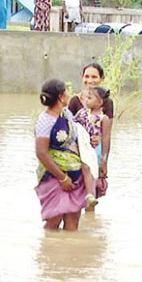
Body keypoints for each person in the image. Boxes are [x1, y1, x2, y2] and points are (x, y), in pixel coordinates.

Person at [34, 79, 97, 230]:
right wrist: (62, 178)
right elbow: (41, 153)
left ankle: (70, 252)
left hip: (75, 178)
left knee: (73, 222)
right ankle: (48, 251)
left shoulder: (67, 115)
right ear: (61, 97)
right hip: (54, 178)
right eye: (66, 93)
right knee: (53, 221)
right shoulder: (45, 121)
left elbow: (76, 138)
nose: (69, 96)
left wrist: (91, 140)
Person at [74, 86, 114, 197]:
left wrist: (104, 160)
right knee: (82, 171)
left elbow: (106, 137)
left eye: (90, 98)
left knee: (93, 172)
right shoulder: (81, 113)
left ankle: (91, 197)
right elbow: (72, 125)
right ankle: (83, 195)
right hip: (82, 147)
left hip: (95, 149)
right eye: (86, 97)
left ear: (99, 103)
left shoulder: (103, 118)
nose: (86, 100)